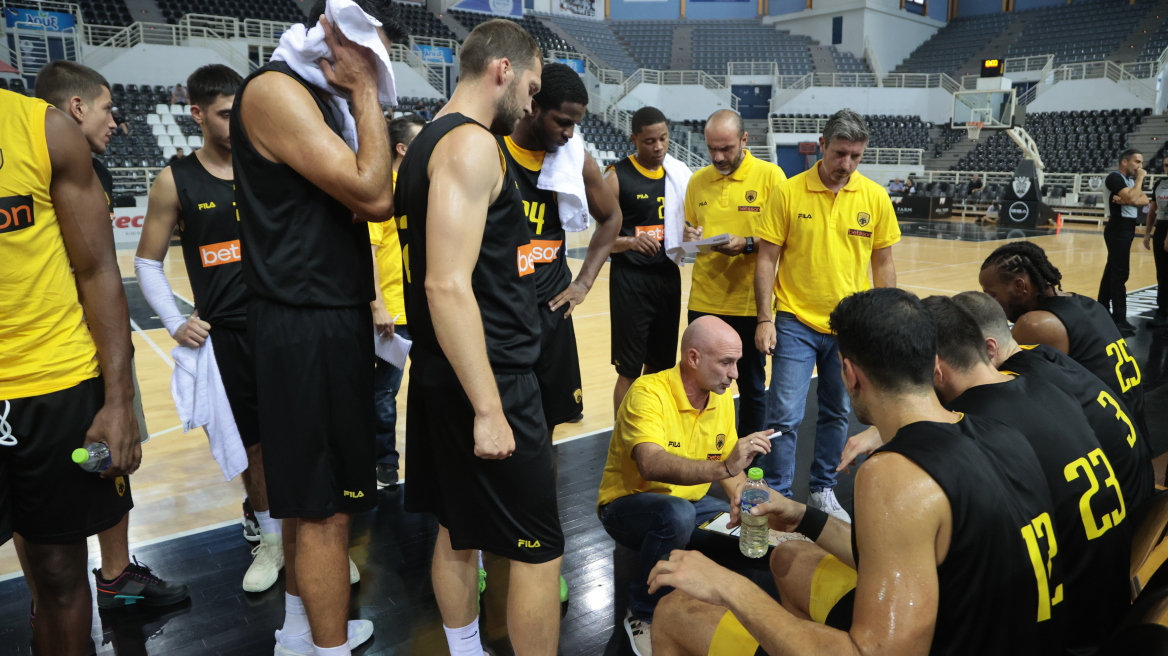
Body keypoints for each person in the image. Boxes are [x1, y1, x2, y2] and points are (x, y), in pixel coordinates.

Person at [648, 289, 1064, 656]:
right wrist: (801, 515)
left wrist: (727, 585)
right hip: (1011, 633)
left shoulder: (896, 474)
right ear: (930, 361)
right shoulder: (998, 431)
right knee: (791, 556)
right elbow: (910, 553)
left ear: (850, 374)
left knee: (673, 612)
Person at [232, 1, 404, 652]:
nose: (374, 69)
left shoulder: (307, 97)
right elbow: (374, 195)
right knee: (328, 510)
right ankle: (327, 650)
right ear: (336, 36)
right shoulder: (277, 91)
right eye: (371, 54)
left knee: (310, 503)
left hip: (320, 318)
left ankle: (299, 635)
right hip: (303, 324)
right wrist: (363, 91)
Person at [395, 20, 561, 656]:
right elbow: (445, 286)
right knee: (538, 551)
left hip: (446, 369)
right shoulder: (469, 147)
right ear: (503, 71)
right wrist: (491, 409)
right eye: (533, 86)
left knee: (457, 533)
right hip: (487, 379)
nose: (532, 101)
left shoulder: (430, 142)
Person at [30, 59, 188, 612]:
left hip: (61, 354)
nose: (117, 124)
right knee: (109, 457)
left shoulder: (74, 166)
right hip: (73, 354)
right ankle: (110, 577)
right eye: (106, 109)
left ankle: (90, 582)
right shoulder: (61, 164)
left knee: (91, 469)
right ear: (76, 107)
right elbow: (93, 272)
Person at [0, 86, 143, 654]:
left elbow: (98, 269)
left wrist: (118, 402)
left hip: (52, 386)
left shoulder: (45, 130)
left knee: (59, 571)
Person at [135, 64, 284, 594]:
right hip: (229, 338)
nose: (237, 123)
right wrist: (175, 323)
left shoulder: (270, 166)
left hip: (285, 327)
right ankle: (271, 540)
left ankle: (314, 538)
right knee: (254, 446)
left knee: (302, 435)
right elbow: (148, 262)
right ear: (197, 114)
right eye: (225, 114)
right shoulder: (175, 180)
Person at [924, 295, 1131, 655]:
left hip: (1066, 631)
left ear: (935, 370)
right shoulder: (1043, 383)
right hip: (1112, 600)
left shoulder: (977, 432)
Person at [752, 108, 899, 520]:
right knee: (784, 413)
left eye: (855, 156)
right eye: (839, 154)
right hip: (794, 321)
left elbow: (883, 263)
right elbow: (766, 260)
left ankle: (822, 489)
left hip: (850, 327)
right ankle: (777, 493)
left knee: (838, 411)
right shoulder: (788, 192)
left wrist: (886, 321)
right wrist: (765, 318)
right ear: (822, 146)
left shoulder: (873, 196)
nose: (846, 165)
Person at [597, 316, 773, 655]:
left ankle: (687, 570)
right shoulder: (648, 392)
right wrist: (724, 467)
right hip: (627, 506)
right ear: (693, 358)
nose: (735, 373)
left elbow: (730, 469)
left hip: (691, 507)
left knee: (746, 533)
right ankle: (643, 613)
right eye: (726, 362)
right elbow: (650, 462)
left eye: (736, 362)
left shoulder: (719, 396)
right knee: (675, 516)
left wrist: (746, 500)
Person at [502, 62, 621, 438]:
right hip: (501, 310)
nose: (570, 134)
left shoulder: (576, 162)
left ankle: (542, 500)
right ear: (533, 106)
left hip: (551, 312)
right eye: (562, 122)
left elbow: (612, 218)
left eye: (576, 124)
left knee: (546, 429)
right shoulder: (491, 149)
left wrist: (584, 282)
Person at [953, 290, 1154, 509]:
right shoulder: (1047, 354)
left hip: (1128, 516)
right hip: (1141, 490)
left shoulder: (1016, 393)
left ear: (989, 348)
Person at [979, 241, 1147, 449]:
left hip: (1109, 447)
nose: (990, 303)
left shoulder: (1037, 324)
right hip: (1135, 436)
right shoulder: (1088, 304)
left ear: (1019, 286)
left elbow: (996, 385)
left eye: (992, 295)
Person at [682, 109, 786, 437]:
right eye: (712, 148)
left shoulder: (772, 177)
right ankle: (701, 450)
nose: (718, 156)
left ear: (744, 140)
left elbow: (785, 240)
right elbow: (688, 234)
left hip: (750, 304)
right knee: (698, 383)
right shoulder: (698, 181)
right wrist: (689, 239)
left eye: (726, 148)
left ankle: (750, 458)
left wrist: (748, 244)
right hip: (705, 300)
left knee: (753, 385)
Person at [605, 106, 684, 415]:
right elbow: (602, 241)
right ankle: (622, 442)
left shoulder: (677, 174)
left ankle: (650, 428)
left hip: (667, 278)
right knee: (628, 369)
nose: (658, 147)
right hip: (631, 283)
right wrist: (630, 241)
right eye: (650, 141)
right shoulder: (616, 177)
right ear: (634, 138)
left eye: (663, 139)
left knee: (661, 365)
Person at [370, 113, 425, 489]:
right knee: (384, 393)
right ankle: (384, 462)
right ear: (403, 148)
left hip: (420, 310)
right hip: (391, 312)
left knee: (423, 388)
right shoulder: (381, 191)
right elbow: (368, 251)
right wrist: (378, 305)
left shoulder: (414, 188)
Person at [1099, 149, 1150, 334]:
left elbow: (1144, 200)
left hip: (1127, 228)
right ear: (1124, 162)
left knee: (1111, 273)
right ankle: (1119, 319)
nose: (1140, 167)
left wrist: (1129, 199)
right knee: (1121, 274)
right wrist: (1139, 182)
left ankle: (1101, 310)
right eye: (1137, 162)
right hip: (1117, 228)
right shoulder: (1115, 178)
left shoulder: (1128, 182)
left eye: (1142, 163)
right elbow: (1133, 196)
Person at [1143, 158, 1168, 329]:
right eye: (1166, 165)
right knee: (1162, 273)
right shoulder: (1159, 183)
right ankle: (1162, 312)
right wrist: (1146, 233)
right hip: (1161, 228)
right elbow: (1152, 210)